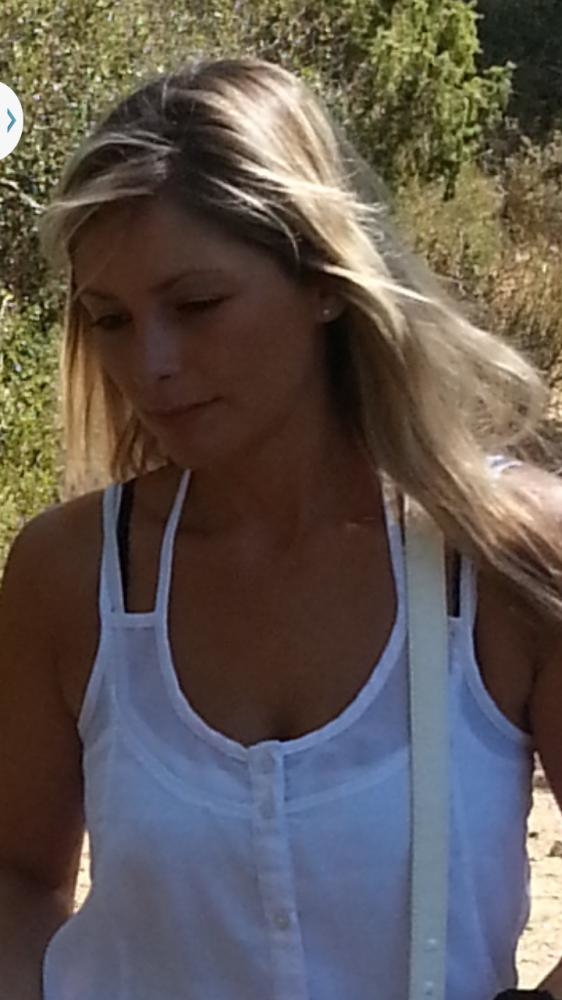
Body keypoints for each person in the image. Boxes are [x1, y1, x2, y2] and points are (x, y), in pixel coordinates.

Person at [1, 55, 562, 1000]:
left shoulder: (500, 558)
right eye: (110, 320)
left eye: (196, 306)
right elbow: (17, 877)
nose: (151, 364)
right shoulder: (71, 577)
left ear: (324, 280)